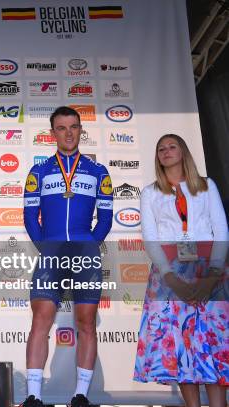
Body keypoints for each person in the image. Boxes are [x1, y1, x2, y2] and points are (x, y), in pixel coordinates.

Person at [22, 106, 113, 407]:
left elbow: (106, 219)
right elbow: (29, 216)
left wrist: (89, 246)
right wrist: (46, 248)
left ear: (80, 130)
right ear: (53, 133)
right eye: (62, 128)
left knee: (86, 323)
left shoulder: (99, 172)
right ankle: (34, 395)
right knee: (40, 321)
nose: (69, 133)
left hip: (85, 254)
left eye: (73, 127)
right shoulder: (39, 172)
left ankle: (81, 396)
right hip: (52, 255)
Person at [134, 134, 228, 407]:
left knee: (211, 344)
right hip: (169, 277)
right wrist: (170, 277)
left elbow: (221, 230)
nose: (166, 152)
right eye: (161, 148)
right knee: (182, 345)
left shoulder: (206, 186)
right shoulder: (150, 192)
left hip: (209, 271)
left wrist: (212, 275)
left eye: (172, 146)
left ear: (183, 151)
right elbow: (150, 237)